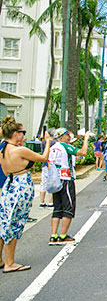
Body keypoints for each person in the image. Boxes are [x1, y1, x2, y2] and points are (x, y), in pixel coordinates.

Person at [0, 117, 51, 272]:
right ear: (15, 133)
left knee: (4, 222)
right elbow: (43, 158)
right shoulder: (19, 150)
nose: (23, 135)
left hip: (9, 185)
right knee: (14, 224)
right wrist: (48, 142)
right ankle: (10, 263)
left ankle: (2, 259)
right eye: (22, 132)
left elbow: (5, 171)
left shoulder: (2, 149)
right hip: (21, 186)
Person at [47, 128, 90, 246]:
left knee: (57, 208)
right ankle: (62, 235)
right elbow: (82, 152)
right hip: (66, 179)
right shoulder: (65, 146)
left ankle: (53, 235)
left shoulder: (52, 148)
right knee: (68, 207)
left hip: (55, 180)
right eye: (67, 135)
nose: (69, 137)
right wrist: (85, 139)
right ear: (60, 137)